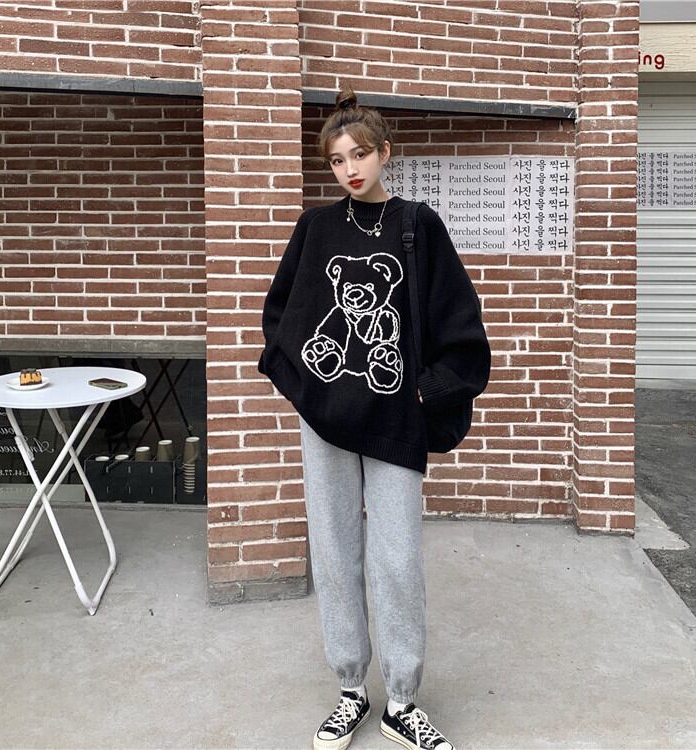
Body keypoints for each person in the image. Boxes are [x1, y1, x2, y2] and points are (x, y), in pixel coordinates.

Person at [258, 87, 491, 750]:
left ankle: (402, 702)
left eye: (359, 154)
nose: (349, 169)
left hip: (394, 424)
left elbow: (460, 322)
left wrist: (426, 392)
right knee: (334, 554)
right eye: (337, 160)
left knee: (397, 561)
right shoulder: (315, 229)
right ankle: (351, 690)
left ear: (385, 152)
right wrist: (310, 391)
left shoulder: (418, 225)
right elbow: (282, 318)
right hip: (326, 423)